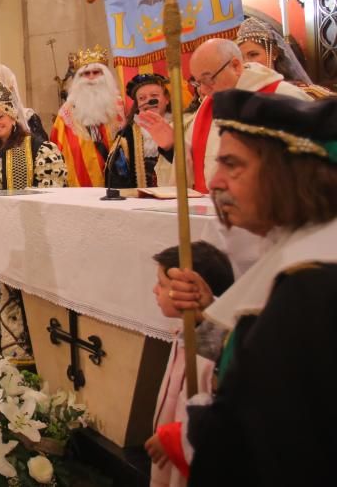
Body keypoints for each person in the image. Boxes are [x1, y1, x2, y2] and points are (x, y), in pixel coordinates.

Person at [170, 91, 337, 485]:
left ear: (286, 173)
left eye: (233, 165)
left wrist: (199, 428)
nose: (214, 181)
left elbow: (275, 438)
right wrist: (210, 309)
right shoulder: (301, 253)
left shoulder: (311, 282)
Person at [0, 80, 67, 363]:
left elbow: (53, 198)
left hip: (30, 244)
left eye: (1, 116)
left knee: (29, 305)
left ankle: (35, 363)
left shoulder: (40, 149)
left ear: (12, 114)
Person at [145, 38, 310, 193]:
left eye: (208, 79)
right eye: (198, 82)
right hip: (210, 218)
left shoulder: (283, 97)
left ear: (236, 66)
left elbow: (312, 166)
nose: (202, 90)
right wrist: (170, 146)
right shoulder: (207, 108)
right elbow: (194, 165)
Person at [143, 241, 234, 487]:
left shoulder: (208, 352)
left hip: (188, 452)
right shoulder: (188, 333)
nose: (155, 290)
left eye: (162, 284)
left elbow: (215, 410)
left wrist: (175, 438)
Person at [50, 45, 125, 187]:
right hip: (78, 188)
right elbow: (55, 154)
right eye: (86, 74)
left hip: (116, 186)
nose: (91, 78)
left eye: (96, 72)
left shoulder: (120, 108)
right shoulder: (65, 114)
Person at [234, 16, 333, 99]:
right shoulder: (242, 95)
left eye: (253, 54)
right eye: (241, 58)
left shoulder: (303, 91)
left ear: (274, 54)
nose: (246, 62)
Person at [106, 73, 172, 188]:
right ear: (137, 105)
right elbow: (116, 178)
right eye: (142, 98)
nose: (149, 101)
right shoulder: (126, 135)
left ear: (166, 99)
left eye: (154, 95)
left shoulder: (183, 127)